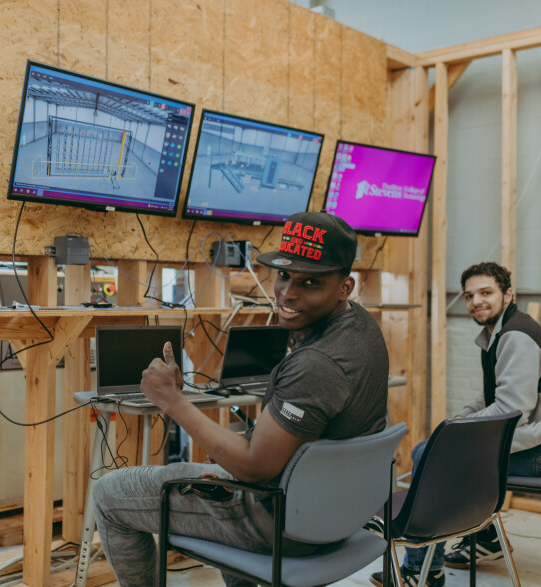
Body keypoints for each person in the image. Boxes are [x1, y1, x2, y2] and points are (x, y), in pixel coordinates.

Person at [92, 211, 390, 587]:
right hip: (334, 514)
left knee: (108, 494)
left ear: (344, 287)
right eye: (283, 275)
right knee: (220, 459)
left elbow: (253, 469)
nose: (287, 293)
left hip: (278, 521)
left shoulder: (318, 363)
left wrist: (173, 401)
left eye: (310, 282)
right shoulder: (362, 327)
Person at [371, 262, 541, 587]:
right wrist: (457, 424)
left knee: (439, 462)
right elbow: (492, 398)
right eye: (469, 295)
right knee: (431, 449)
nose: (476, 301)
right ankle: (486, 539)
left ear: (507, 294)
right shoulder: (498, 332)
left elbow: (511, 413)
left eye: (486, 292)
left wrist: (456, 442)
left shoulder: (516, 336)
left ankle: (422, 572)